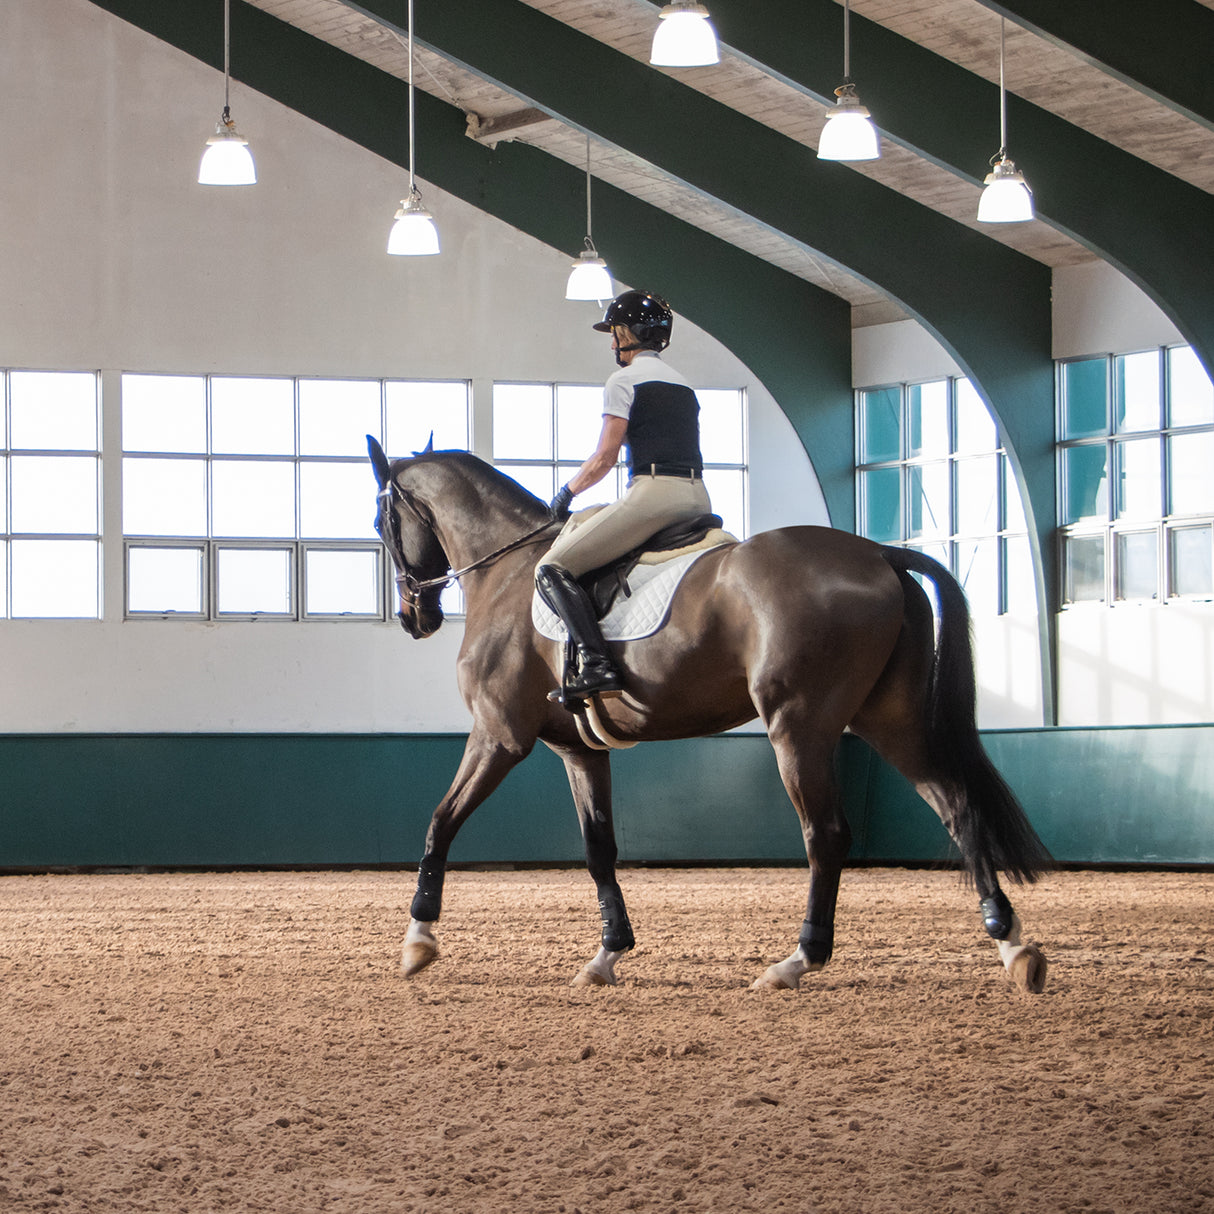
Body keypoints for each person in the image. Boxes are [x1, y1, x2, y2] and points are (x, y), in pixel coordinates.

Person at [536, 290, 713, 700]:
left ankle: (596, 665)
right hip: (699, 496)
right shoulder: (683, 384)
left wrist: (564, 494)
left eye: (614, 332)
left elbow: (604, 458)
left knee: (553, 568)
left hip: (655, 496)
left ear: (630, 333)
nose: (612, 342)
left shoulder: (623, 380)